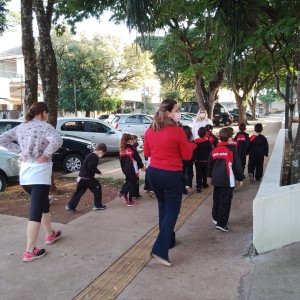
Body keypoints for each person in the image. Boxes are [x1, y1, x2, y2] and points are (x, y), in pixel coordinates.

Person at [0, 102, 63, 262]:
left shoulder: (21, 127)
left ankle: (50, 234)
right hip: (39, 175)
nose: (47, 117)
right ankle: (30, 251)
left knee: (43, 205)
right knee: (35, 212)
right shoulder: (45, 126)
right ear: (43, 113)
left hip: (25, 175)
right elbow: (57, 141)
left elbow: (2, 139)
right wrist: (46, 154)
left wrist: (20, 151)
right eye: (47, 114)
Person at [144, 99, 196, 267]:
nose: (178, 113)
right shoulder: (177, 131)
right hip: (171, 174)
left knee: (163, 208)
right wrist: (189, 146)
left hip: (153, 174)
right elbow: (187, 156)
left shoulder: (150, 130)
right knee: (172, 211)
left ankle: (169, 241)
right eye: (176, 110)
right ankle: (160, 250)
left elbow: (147, 152)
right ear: (168, 112)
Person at [207, 127, 244, 232]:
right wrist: (240, 178)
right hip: (227, 181)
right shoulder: (231, 150)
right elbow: (237, 166)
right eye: (231, 137)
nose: (232, 139)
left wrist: (210, 175)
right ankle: (221, 224)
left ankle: (215, 218)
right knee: (225, 202)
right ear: (229, 139)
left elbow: (209, 165)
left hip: (216, 180)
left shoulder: (214, 150)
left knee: (217, 200)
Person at [66, 143, 107, 212]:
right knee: (97, 188)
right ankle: (97, 205)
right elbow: (91, 167)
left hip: (81, 177)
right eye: (102, 153)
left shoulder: (89, 155)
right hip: (88, 178)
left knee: (79, 192)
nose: (102, 155)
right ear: (100, 151)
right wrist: (98, 172)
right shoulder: (95, 157)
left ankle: (70, 206)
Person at [119, 133, 145, 207]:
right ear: (128, 141)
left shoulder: (122, 149)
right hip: (133, 169)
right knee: (132, 183)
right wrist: (142, 166)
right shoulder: (132, 149)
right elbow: (138, 159)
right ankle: (130, 201)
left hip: (125, 169)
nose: (133, 141)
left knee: (129, 181)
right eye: (132, 140)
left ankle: (123, 194)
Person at [194, 127, 213, 192]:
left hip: (197, 160)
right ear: (205, 134)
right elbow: (211, 151)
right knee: (205, 173)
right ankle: (204, 184)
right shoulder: (207, 142)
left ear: (198, 134)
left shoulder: (195, 141)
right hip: (205, 160)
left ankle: (198, 187)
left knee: (198, 173)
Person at [182, 125, 195, 193]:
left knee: (182, 173)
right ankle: (188, 184)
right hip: (190, 159)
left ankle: (183, 188)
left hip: (181, 159)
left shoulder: (180, 142)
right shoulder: (192, 143)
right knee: (190, 173)